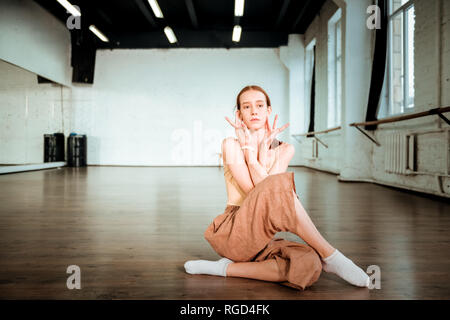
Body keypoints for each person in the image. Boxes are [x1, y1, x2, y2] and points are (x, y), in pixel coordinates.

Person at [184, 85, 370, 290]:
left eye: (259, 105)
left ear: (268, 110)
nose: (254, 111)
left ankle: (224, 268)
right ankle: (330, 254)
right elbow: (256, 191)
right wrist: (248, 151)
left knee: (309, 264)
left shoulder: (285, 149)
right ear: (239, 114)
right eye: (246, 107)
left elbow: (272, 198)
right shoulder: (231, 145)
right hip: (235, 231)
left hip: (262, 236)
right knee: (278, 184)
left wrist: (262, 150)